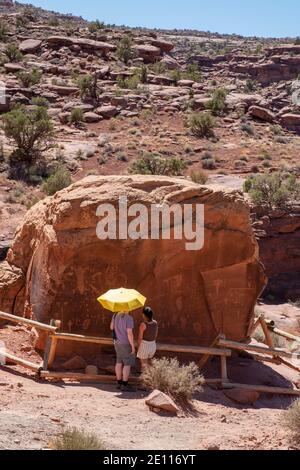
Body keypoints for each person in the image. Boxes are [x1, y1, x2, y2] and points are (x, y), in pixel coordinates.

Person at [110, 311, 136, 392]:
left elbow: (111, 327)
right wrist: (132, 345)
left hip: (117, 343)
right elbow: (129, 333)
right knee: (127, 364)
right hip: (125, 343)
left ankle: (119, 383)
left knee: (119, 362)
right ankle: (124, 385)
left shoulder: (115, 315)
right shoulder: (129, 318)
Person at [137, 307, 158, 371]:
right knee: (148, 363)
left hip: (144, 346)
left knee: (143, 365)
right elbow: (156, 335)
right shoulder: (155, 323)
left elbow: (140, 338)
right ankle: (151, 377)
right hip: (152, 345)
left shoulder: (143, 324)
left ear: (144, 315)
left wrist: (138, 347)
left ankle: (145, 379)